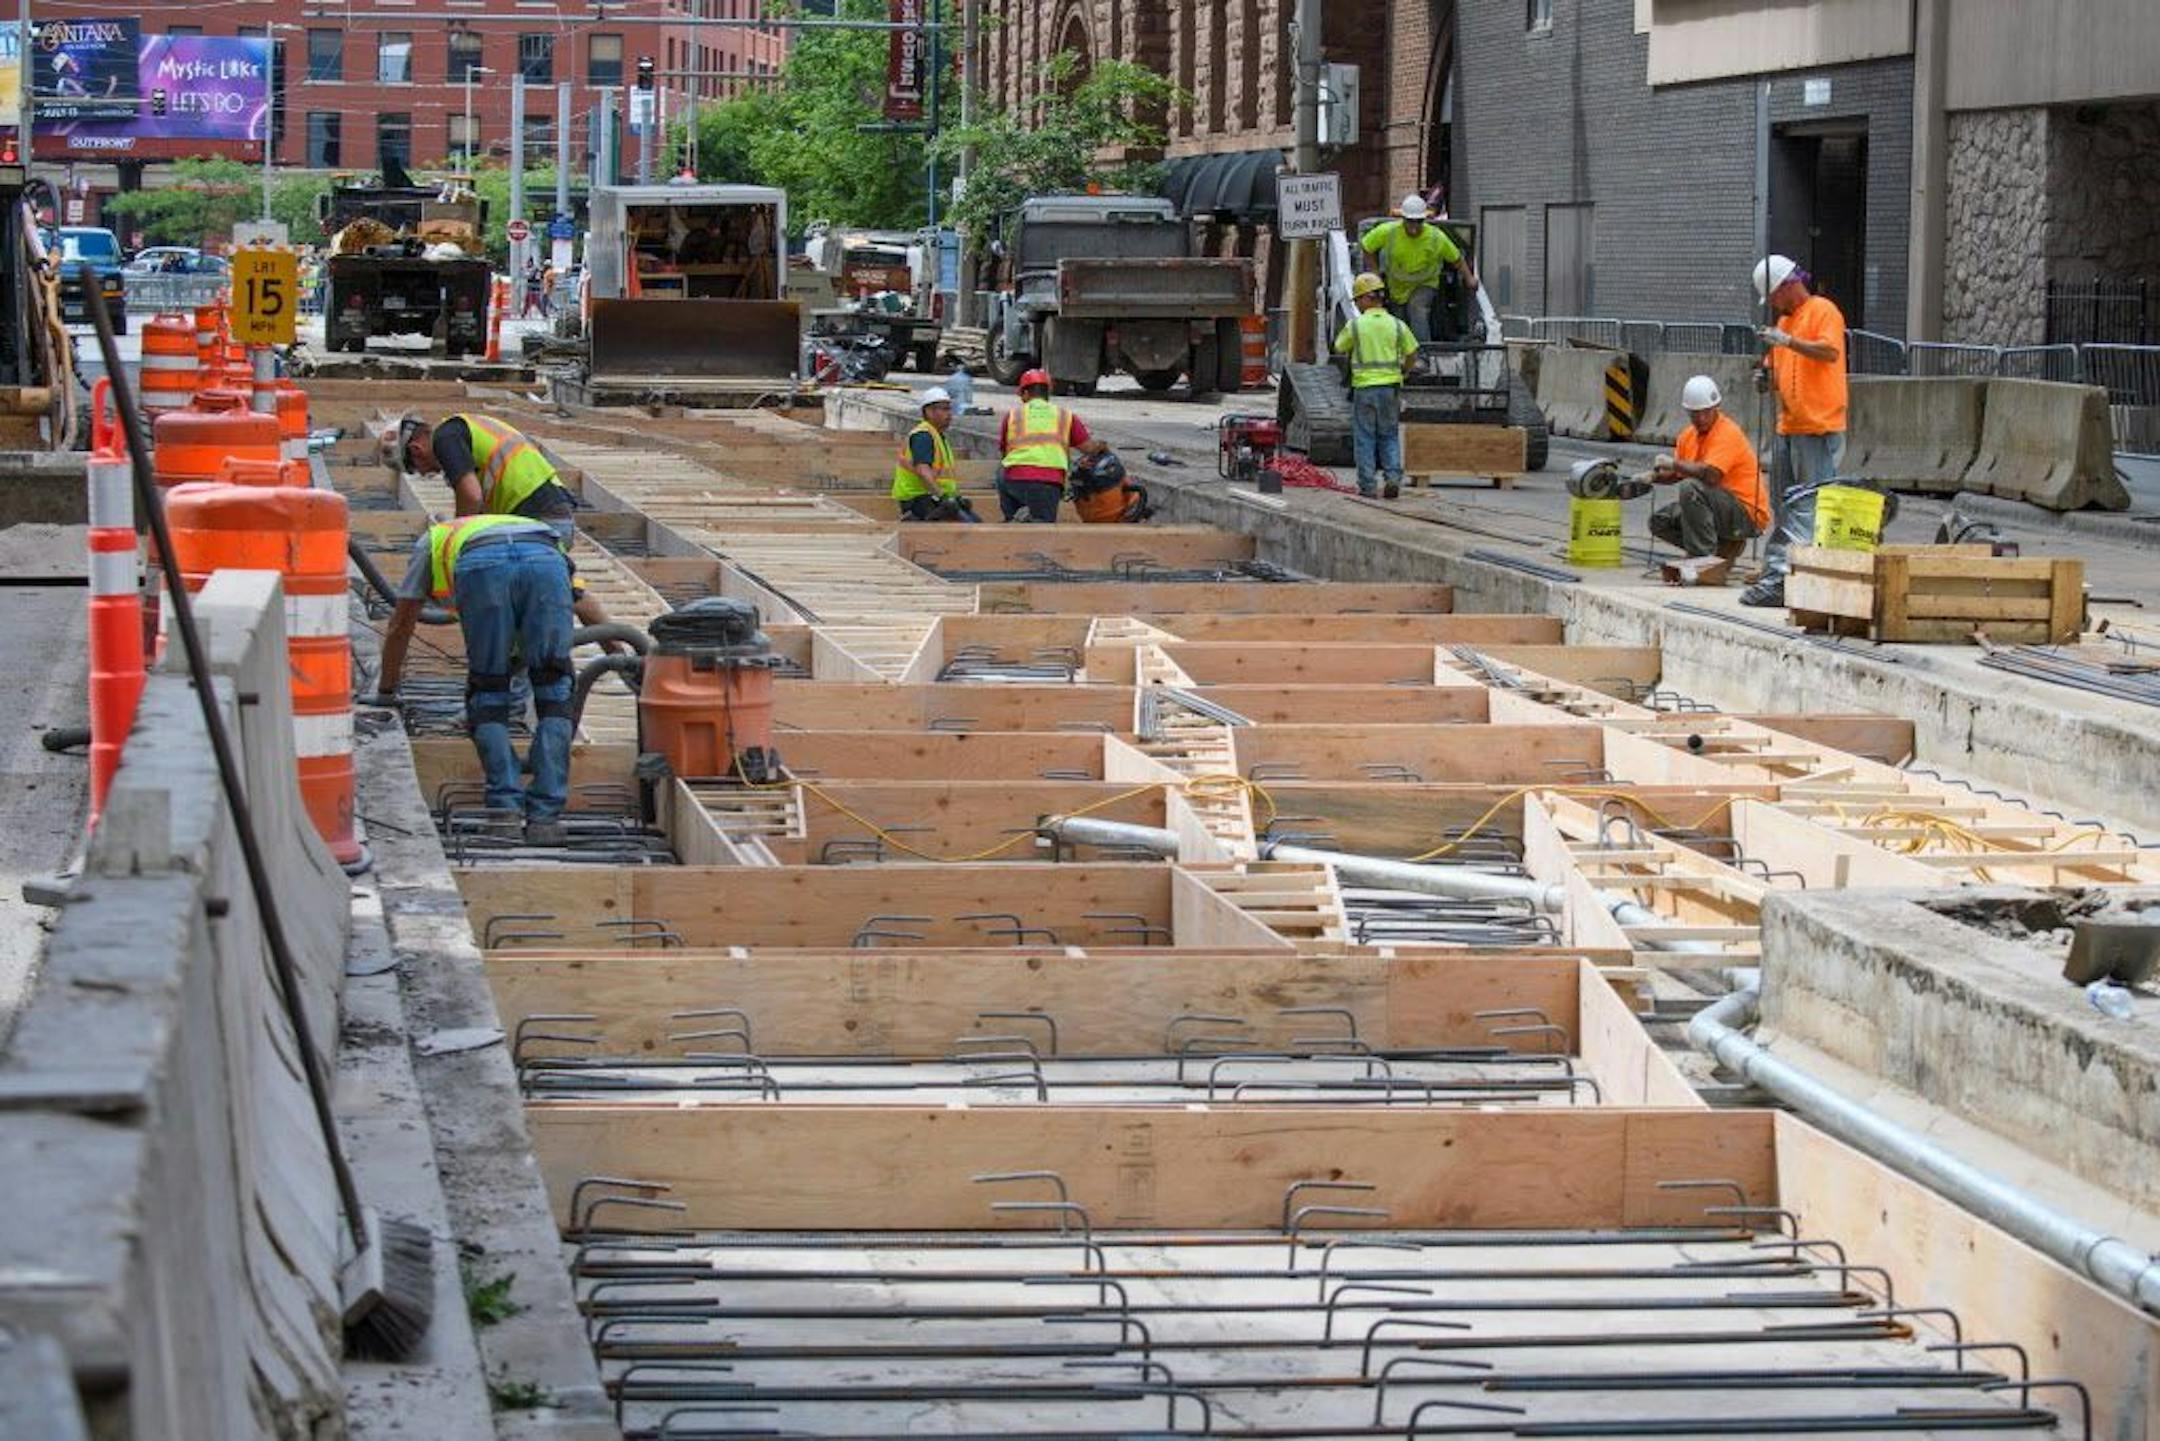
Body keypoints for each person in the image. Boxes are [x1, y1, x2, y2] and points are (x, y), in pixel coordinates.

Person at [372, 515, 577, 842]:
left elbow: (400, 625)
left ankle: (504, 813)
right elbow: (587, 606)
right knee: (555, 688)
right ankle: (545, 819)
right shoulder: (533, 531)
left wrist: (385, 689)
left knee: (488, 690)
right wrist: (624, 656)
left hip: (483, 568)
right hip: (546, 561)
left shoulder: (432, 541)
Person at [388, 412, 622, 638]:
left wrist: (456, 544)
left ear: (415, 450)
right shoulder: (462, 432)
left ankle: (621, 659)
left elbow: (470, 496)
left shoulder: (445, 438)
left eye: (419, 470)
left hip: (536, 517)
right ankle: (620, 658)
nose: (430, 472)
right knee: (560, 593)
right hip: (547, 511)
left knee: (564, 595)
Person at [1741, 254, 1848, 607]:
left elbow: (1829, 352)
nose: (1772, 304)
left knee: (1809, 508)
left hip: (1817, 427)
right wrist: (1765, 377)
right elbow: (1778, 371)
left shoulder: (1822, 311)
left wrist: (1787, 342)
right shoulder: (1786, 321)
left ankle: (1802, 577)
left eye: (1772, 296)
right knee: (1785, 506)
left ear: (1787, 285)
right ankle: (1780, 575)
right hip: (1788, 426)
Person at [1648, 375, 1766, 560]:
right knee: (1661, 521)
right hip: (1719, 508)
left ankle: (1702, 561)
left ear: (1716, 408)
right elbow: (1678, 473)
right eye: (1695, 413)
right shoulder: (1687, 437)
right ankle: (1722, 548)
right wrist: (1651, 477)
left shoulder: (1727, 433)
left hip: (1745, 513)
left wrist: (1673, 463)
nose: (1701, 418)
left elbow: (1711, 476)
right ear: (1688, 412)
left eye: (1706, 412)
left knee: (1691, 489)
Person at [1332, 272, 1420, 499]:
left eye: (1358, 299)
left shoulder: (1357, 325)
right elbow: (1412, 353)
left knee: (1365, 437)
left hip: (1364, 389)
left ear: (1365, 299)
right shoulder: (1397, 325)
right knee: (1389, 435)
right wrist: (1405, 370)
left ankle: (1368, 486)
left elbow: (1339, 347)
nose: (1358, 304)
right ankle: (1392, 478)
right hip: (1390, 388)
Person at [1359, 193, 1479, 344]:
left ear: (1424, 220)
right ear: (1403, 219)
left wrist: (1469, 278)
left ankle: (1423, 353)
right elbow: (1366, 246)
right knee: (1399, 322)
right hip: (1397, 288)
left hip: (1425, 285)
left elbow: (1457, 260)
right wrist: (1375, 272)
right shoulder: (1389, 232)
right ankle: (1400, 354)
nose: (1414, 228)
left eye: (1418, 222)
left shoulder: (1436, 237)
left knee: (1417, 308)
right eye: (1410, 222)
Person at [997, 369, 1105, 523]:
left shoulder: (1013, 415)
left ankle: (1011, 520)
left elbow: (1004, 454)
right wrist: (1102, 446)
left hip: (1014, 480)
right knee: (1043, 528)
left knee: (1002, 471)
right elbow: (1088, 448)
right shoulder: (1065, 416)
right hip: (1048, 483)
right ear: (1048, 393)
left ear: (1026, 393)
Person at [893, 387, 978, 522]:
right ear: (929, 411)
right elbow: (923, 471)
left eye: (949, 409)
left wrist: (955, 497)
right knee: (968, 526)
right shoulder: (923, 436)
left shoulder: (937, 435)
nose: (949, 414)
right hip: (919, 500)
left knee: (973, 522)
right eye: (944, 409)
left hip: (932, 498)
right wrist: (943, 497)